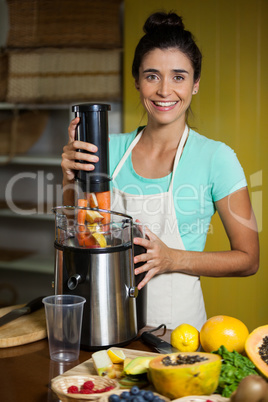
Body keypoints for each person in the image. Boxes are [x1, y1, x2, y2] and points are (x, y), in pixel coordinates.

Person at [61, 11, 259, 331]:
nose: (165, 90)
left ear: (195, 85)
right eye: (153, 76)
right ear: (137, 81)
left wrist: (172, 259)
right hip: (107, 325)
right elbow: (78, 234)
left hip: (178, 335)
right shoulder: (107, 150)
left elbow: (249, 259)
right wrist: (69, 178)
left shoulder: (217, 158)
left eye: (178, 77)